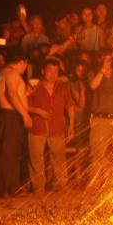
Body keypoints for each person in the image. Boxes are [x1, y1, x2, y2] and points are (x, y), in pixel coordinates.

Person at [26, 58, 74, 194]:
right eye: (50, 71)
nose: (53, 74)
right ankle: (38, 187)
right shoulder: (33, 86)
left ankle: (61, 184)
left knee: (59, 157)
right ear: (43, 71)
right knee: (36, 157)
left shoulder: (63, 87)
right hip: (37, 126)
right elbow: (23, 105)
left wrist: (71, 126)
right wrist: (37, 111)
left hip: (57, 126)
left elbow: (70, 106)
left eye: (56, 71)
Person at [0, 50, 32, 197]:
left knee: (12, 151)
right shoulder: (13, 74)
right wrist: (25, 115)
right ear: (22, 62)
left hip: (5, 115)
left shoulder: (2, 73)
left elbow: (13, 94)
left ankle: (12, 187)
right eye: (25, 65)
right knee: (8, 152)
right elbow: (12, 94)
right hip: (11, 115)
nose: (25, 68)